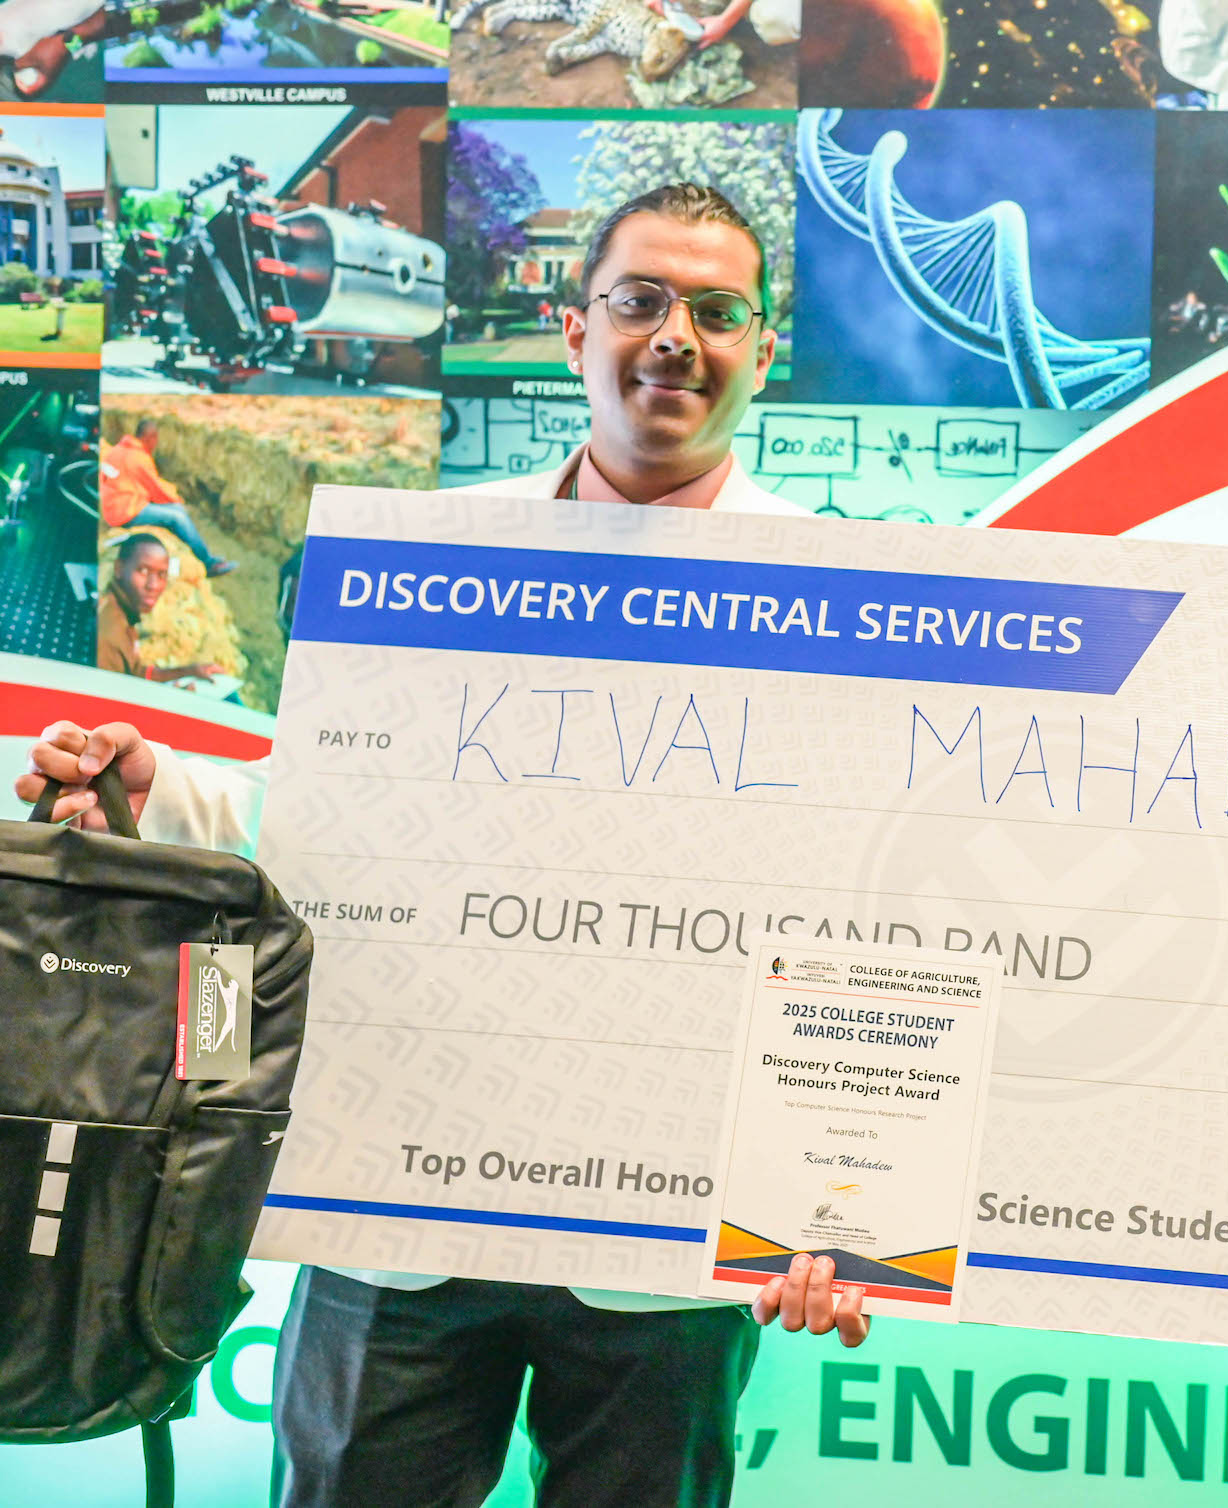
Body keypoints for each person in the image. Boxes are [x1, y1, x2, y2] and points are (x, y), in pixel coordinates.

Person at [21, 184, 866, 1508]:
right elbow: (322, 818)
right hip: (403, 1210)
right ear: (575, 329)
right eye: (640, 300)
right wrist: (152, 793)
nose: (674, 336)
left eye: (715, 311)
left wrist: (848, 1205)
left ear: (762, 349)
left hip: (672, 1242)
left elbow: (879, 922)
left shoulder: (855, 597)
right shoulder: (427, 554)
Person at [99, 419, 238, 578]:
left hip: (114, 508)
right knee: (177, 517)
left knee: (177, 511)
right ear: (150, 437)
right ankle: (208, 563)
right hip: (126, 513)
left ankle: (196, 554)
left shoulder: (116, 451)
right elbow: (157, 490)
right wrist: (176, 498)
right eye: (155, 439)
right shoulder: (139, 458)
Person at [94, 532, 222, 684]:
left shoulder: (123, 613)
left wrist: (189, 672)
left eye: (161, 575)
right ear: (119, 569)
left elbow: (136, 674)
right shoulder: (110, 635)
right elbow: (109, 696)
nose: (153, 585)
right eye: (143, 571)